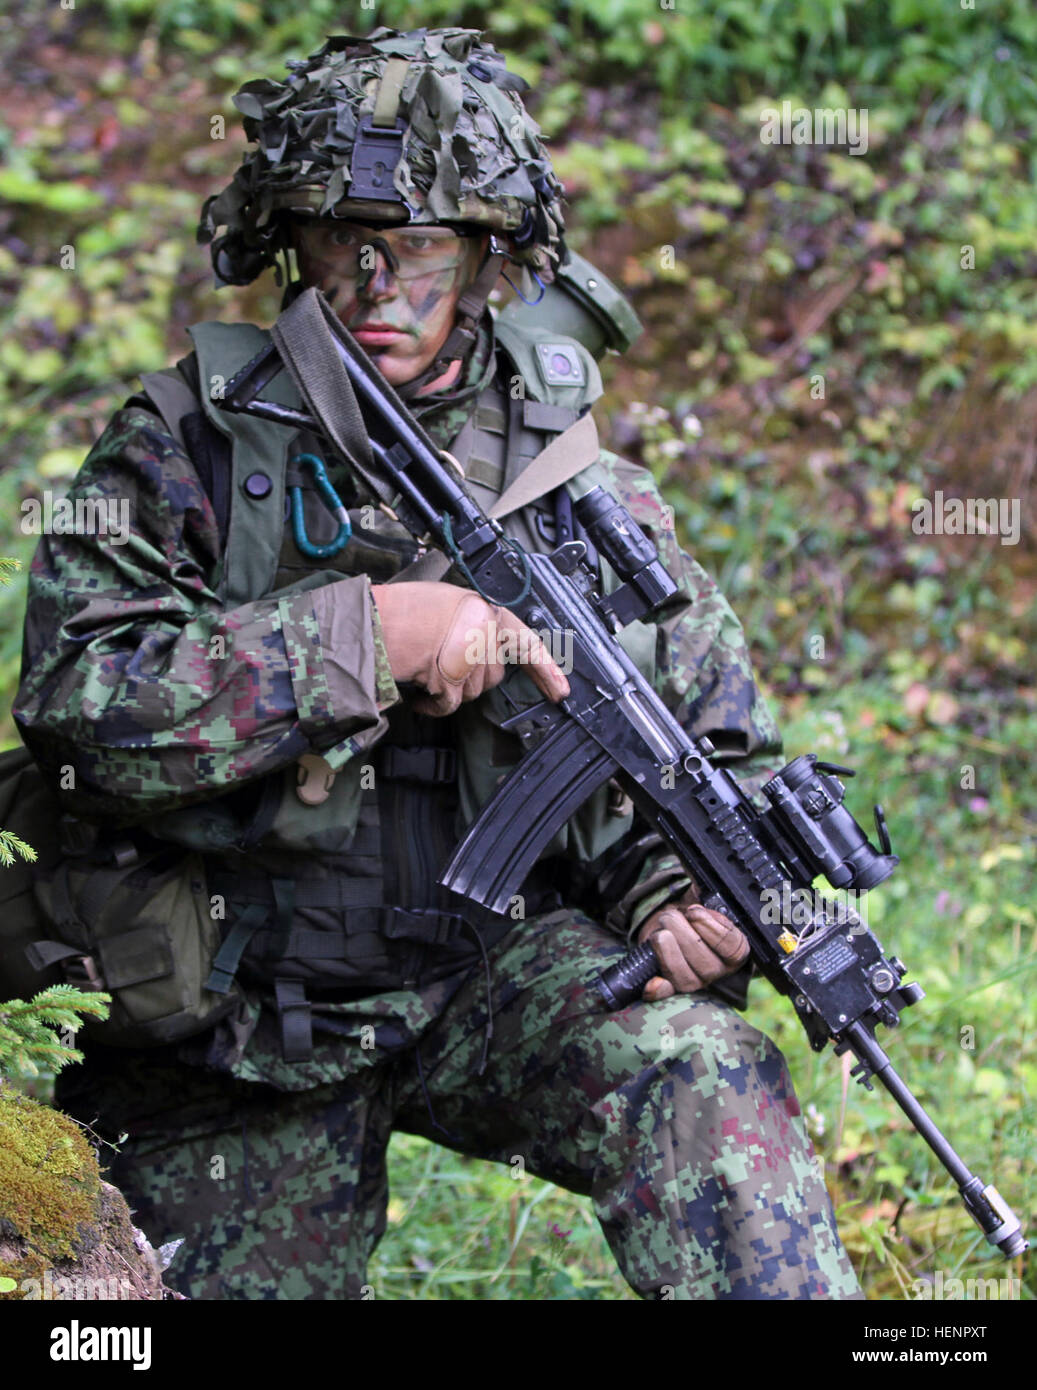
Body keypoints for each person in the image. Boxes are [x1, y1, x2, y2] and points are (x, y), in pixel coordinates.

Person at [15, 27, 862, 1300]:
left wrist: (664, 893)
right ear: (285, 241)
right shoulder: (186, 440)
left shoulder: (573, 481)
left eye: (415, 245)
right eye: (340, 238)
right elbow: (80, 705)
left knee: (703, 1075)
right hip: (238, 1019)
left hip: (489, 983)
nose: (374, 284)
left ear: (484, 257)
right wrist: (360, 639)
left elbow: (684, 750)